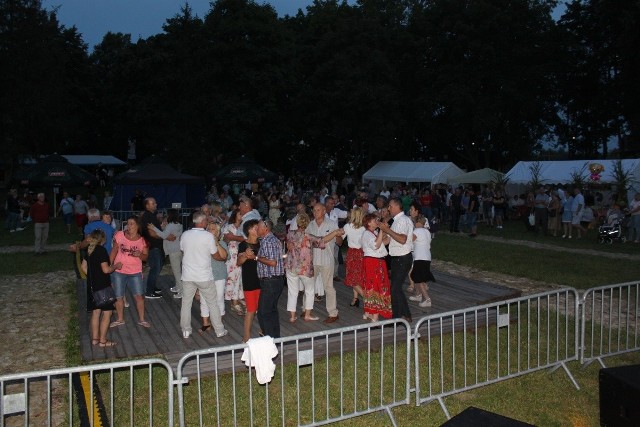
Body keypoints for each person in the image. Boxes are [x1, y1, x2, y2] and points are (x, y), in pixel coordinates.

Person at [179, 211, 228, 339]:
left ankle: (185, 330)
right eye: (206, 220)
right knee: (213, 303)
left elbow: (183, 250)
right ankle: (219, 330)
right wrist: (222, 258)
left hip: (188, 275)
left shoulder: (184, 234)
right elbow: (215, 254)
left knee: (186, 303)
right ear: (201, 222)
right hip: (204, 276)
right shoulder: (208, 237)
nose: (207, 222)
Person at [82, 229, 122, 348]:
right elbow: (106, 270)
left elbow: (84, 267)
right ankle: (103, 341)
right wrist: (116, 266)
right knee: (107, 314)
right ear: (103, 239)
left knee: (95, 313)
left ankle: (95, 339)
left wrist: (93, 275)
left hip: (92, 287)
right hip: (103, 287)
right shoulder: (101, 250)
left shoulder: (89, 250)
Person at [306, 203, 344, 324]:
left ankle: (333, 313)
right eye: (314, 210)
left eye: (318, 210)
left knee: (328, 287)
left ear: (324, 211)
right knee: (309, 285)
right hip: (313, 259)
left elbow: (340, 243)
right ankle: (306, 309)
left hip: (327, 260)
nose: (315, 212)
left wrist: (338, 236)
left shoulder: (331, 224)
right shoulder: (310, 225)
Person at [109, 216, 150, 328]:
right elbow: (114, 250)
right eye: (128, 223)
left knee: (139, 297)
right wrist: (110, 265)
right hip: (119, 270)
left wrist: (139, 255)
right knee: (119, 296)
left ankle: (142, 319)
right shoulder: (120, 235)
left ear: (137, 225)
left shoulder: (142, 240)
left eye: (132, 223)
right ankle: (120, 319)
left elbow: (146, 257)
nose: (129, 226)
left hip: (135, 272)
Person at [377, 197, 413, 322]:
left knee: (395, 289)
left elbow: (402, 239)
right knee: (396, 288)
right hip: (396, 258)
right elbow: (389, 240)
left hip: (402, 258)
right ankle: (406, 315)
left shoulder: (403, 220)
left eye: (390, 206)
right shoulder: (395, 221)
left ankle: (396, 318)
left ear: (397, 206)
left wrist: (386, 229)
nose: (388, 208)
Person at [285, 213, 319, 322]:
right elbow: (322, 242)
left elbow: (288, 244)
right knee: (309, 290)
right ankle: (307, 314)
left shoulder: (290, 234)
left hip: (291, 266)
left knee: (292, 292)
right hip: (305, 268)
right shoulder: (308, 237)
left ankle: (292, 316)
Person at [360, 213, 392, 322]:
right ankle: (374, 315)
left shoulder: (373, 233)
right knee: (376, 286)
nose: (376, 222)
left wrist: (387, 231)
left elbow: (385, 242)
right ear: (369, 223)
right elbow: (376, 245)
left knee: (371, 286)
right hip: (373, 262)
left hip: (374, 261)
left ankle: (368, 312)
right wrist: (382, 230)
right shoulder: (367, 234)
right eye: (375, 220)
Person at [256, 219, 285, 338]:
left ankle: (269, 341)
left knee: (263, 313)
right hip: (275, 280)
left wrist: (256, 258)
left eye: (258, 227)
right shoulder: (273, 239)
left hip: (270, 281)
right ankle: (275, 340)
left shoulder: (268, 241)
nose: (257, 229)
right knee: (271, 311)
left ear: (265, 228)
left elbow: (272, 262)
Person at [148, 209, 182, 298]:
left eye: (167, 215)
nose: (165, 216)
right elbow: (168, 233)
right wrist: (163, 228)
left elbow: (164, 235)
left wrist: (153, 228)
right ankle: (178, 286)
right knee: (177, 270)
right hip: (178, 249)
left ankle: (182, 291)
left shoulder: (170, 225)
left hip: (173, 251)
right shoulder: (179, 225)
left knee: (176, 271)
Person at [237, 219, 261, 342]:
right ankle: (246, 337)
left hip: (263, 280)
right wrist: (245, 256)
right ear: (249, 230)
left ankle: (264, 330)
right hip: (250, 281)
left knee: (263, 308)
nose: (258, 229)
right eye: (256, 227)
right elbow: (238, 262)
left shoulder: (262, 243)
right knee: (251, 310)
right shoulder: (243, 244)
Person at [139, 197, 165, 298]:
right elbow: (152, 233)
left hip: (155, 245)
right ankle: (149, 291)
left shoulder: (150, 215)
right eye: (153, 203)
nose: (156, 204)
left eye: (155, 202)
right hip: (153, 246)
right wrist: (165, 236)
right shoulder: (148, 216)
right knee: (155, 268)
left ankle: (152, 287)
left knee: (157, 267)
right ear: (147, 205)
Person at [408, 216, 435, 308]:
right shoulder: (427, 232)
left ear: (418, 222)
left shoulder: (417, 231)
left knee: (418, 279)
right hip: (427, 257)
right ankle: (418, 295)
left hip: (420, 257)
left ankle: (427, 299)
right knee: (416, 276)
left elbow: (408, 241)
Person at [342, 207, 365, 307]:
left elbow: (341, 238)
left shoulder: (347, 226)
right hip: (361, 253)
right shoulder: (364, 228)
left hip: (352, 253)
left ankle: (366, 298)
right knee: (358, 277)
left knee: (352, 277)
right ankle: (355, 299)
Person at [223, 210, 245, 315]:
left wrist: (237, 238)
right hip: (232, 255)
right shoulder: (229, 226)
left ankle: (236, 299)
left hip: (241, 254)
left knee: (239, 278)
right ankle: (234, 301)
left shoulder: (243, 227)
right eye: (240, 213)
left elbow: (245, 239)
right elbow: (227, 238)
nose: (242, 215)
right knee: (232, 277)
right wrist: (240, 238)